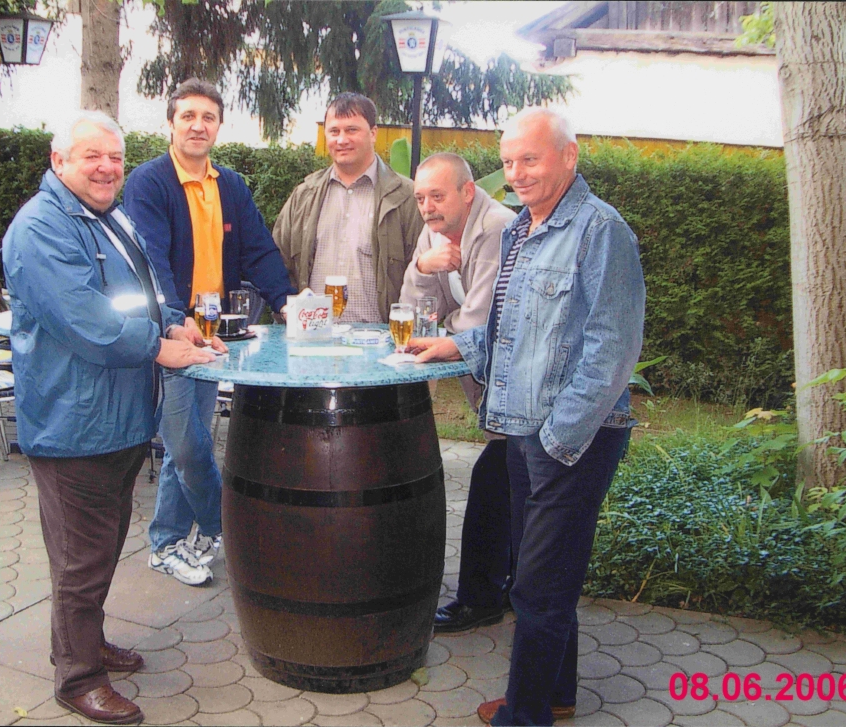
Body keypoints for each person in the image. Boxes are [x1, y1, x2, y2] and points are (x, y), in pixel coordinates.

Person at [410, 108, 645, 726]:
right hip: (517, 428)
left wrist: (556, 437)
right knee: (548, 577)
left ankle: (528, 713)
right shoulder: (519, 230)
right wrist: (456, 346)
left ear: (569, 156)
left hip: (574, 437)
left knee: (536, 587)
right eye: (509, 161)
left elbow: (612, 351)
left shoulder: (601, 231)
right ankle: (557, 694)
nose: (516, 173)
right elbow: (504, 328)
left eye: (530, 159)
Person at [3, 110, 219, 725]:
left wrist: (174, 320)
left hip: (116, 418)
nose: (106, 168)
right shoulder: (42, 227)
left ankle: (85, 643)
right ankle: (77, 677)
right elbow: (87, 321)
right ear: (59, 161)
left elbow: (141, 292)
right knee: (80, 558)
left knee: (97, 548)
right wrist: (160, 346)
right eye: (90, 156)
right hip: (75, 424)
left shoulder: (104, 216)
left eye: (115, 158)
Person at [123, 78, 296, 587]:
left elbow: (258, 250)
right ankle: (230, 529)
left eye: (208, 117)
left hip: (216, 337)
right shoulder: (148, 183)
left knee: (189, 439)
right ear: (171, 123)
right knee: (187, 445)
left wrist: (285, 301)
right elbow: (150, 260)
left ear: (219, 127)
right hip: (173, 337)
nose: (198, 125)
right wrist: (173, 324)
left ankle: (170, 540)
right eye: (188, 116)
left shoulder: (232, 186)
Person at [399, 152, 518, 633]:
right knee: (504, 483)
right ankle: (501, 589)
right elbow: (412, 316)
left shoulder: (496, 228)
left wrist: (445, 326)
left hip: (520, 391)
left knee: (496, 482)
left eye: (437, 195)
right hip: (493, 391)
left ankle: (483, 597)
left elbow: (475, 324)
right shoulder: (435, 231)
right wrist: (424, 267)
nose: (427, 206)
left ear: (467, 191)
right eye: (421, 197)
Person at [273, 92, 424, 323]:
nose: (341, 140)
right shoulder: (304, 195)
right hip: (314, 340)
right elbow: (277, 261)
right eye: (334, 131)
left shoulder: (406, 197)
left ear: (373, 133)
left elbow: (423, 275)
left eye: (352, 130)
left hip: (379, 342)